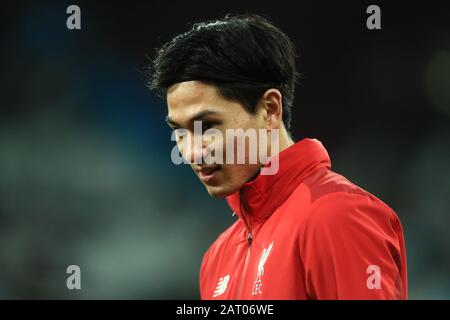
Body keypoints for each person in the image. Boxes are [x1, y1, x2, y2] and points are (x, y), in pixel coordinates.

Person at [148, 14, 407, 299]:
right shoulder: (216, 258)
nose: (192, 151)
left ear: (270, 109)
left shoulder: (336, 216)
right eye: (181, 132)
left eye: (208, 126)